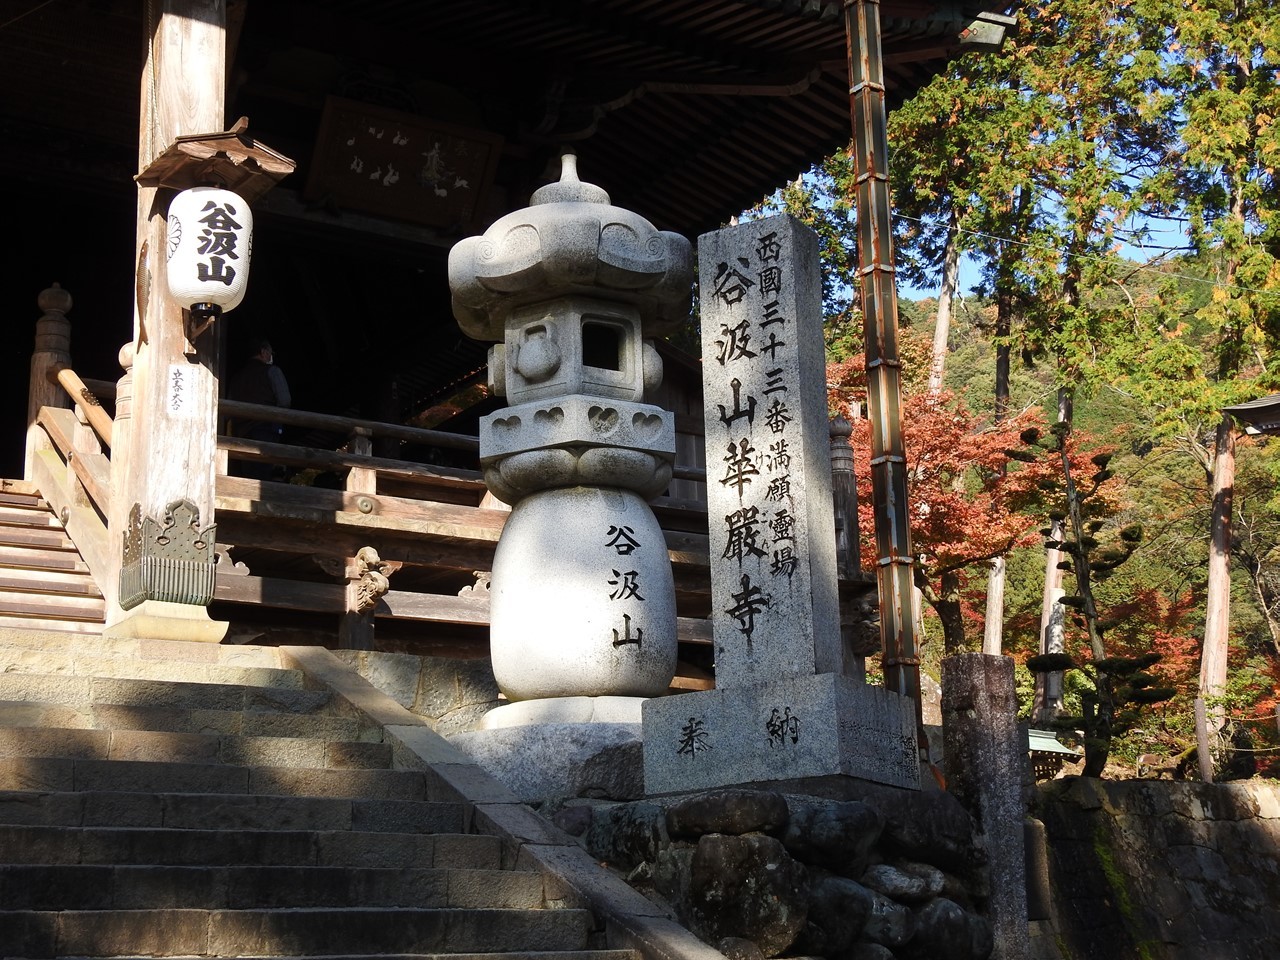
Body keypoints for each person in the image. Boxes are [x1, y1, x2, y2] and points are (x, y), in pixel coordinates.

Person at [227, 339, 291, 479]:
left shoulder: (236, 378)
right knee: (265, 474)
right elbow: (285, 401)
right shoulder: (272, 371)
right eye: (270, 352)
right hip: (267, 429)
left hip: (241, 432)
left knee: (248, 473)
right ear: (263, 352)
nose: (271, 356)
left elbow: (229, 409)